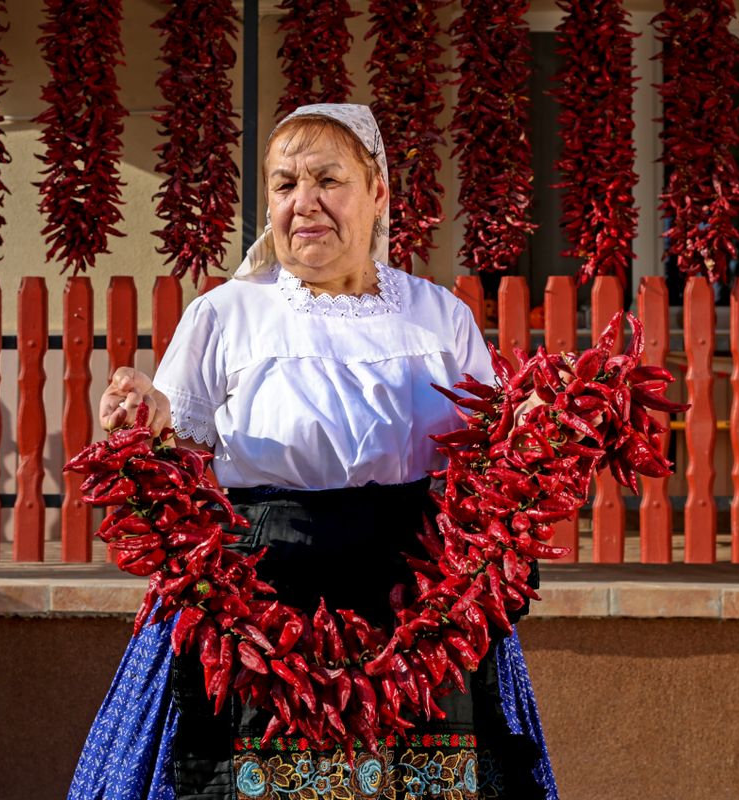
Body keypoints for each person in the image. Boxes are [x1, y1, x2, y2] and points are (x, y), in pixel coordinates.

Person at [69, 104, 558, 800]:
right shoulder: (227, 314)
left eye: (328, 179)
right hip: (265, 607)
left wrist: (530, 433)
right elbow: (175, 453)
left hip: (416, 605)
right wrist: (142, 421)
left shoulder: (438, 316)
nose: (304, 204)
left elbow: (485, 467)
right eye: (284, 184)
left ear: (378, 192)